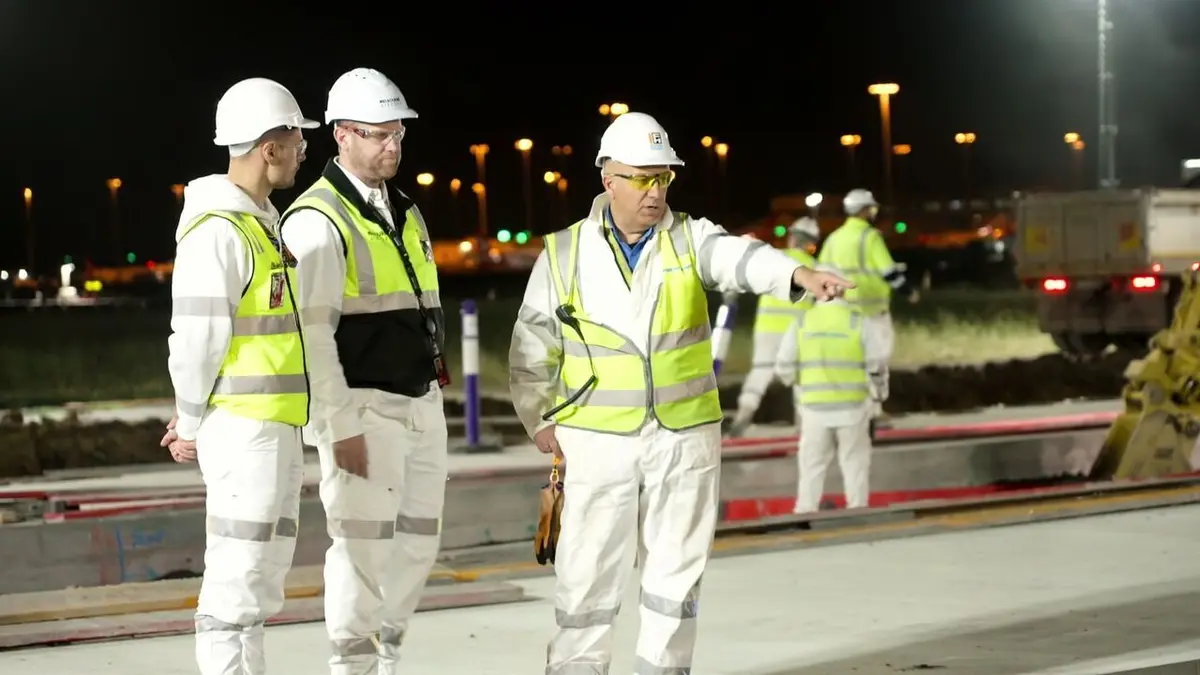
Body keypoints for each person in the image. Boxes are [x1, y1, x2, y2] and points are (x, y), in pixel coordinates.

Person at [508, 111, 852, 674]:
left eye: (664, 177)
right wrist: (539, 419)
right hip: (597, 441)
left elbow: (740, 258)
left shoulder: (691, 238)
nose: (655, 191)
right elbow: (530, 346)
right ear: (608, 179)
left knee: (676, 576)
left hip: (684, 438)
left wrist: (795, 275)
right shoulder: (565, 252)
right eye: (642, 178)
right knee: (586, 575)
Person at [278, 67, 447, 675]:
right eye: (378, 135)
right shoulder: (317, 220)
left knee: (418, 540)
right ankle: (353, 665)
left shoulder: (403, 209)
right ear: (342, 135)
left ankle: (388, 652)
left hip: (420, 401)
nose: (392, 146)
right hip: (365, 409)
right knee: (361, 549)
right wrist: (337, 422)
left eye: (397, 133)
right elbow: (312, 335)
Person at [160, 77, 318, 675]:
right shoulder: (221, 230)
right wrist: (193, 422)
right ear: (268, 146)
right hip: (244, 433)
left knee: (257, 584)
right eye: (296, 138)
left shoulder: (260, 222)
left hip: (273, 429)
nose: (304, 149)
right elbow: (196, 338)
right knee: (234, 586)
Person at [774, 278, 874, 513]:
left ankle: (805, 513)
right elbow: (876, 365)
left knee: (811, 468)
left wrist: (797, 383)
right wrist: (878, 395)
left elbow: (783, 367)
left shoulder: (802, 322)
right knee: (855, 464)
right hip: (853, 410)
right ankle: (858, 510)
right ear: (842, 292)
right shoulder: (857, 322)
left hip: (813, 411)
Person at [817, 189, 907, 425]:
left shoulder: (834, 238)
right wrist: (909, 291)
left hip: (840, 311)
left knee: (849, 361)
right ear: (866, 210)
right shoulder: (870, 237)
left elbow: (820, 274)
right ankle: (875, 411)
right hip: (872, 310)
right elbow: (888, 272)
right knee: (877, 361)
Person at [728, 216, 822, 437]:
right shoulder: (814, 269)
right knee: (801, 375)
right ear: (811, 243)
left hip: (768, 327)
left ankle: (744, 414)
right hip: (797, 332)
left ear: (792, 238)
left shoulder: (775, 259)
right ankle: (803, 426)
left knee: (761, 371)